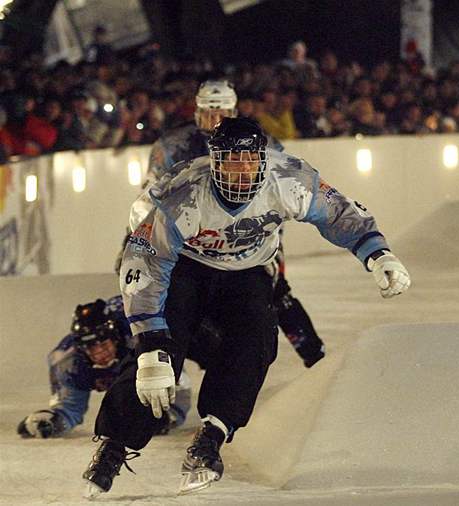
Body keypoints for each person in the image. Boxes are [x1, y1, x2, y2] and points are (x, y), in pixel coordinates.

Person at [81, 117, 411, 497]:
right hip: (185, 268)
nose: (240, 172)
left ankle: (212, 437)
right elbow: (144, 265)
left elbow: (338, 213)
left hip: (247, 270)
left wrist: (377, 252)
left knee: (256, 340)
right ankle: (114, 446)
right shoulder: (183, 193)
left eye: (248, 161)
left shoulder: (289, 181)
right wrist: (150, 341)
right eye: (230, 161)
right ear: (214, 161)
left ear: (264, 160)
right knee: (158, 358)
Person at [146, 79, 325, 367]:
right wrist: (133, 244)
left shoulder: (259, 141)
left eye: (222, 114)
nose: (216, 121)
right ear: (197, 113)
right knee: (179, 300)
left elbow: (280, 190)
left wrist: (273, 238)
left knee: (276, 291)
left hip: (249, 235)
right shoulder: (172, 146)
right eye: (209, 114)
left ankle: (316, 358)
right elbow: (149, 201)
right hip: (194, 241)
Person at [17, 297, 191, 439]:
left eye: (103, 344)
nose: (100, 353)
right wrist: (54, 421)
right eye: (91, 347)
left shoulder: (141, 334)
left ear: (115, 337)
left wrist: (170, 415)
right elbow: (69, 407)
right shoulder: (67, 363)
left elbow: (173, 376)